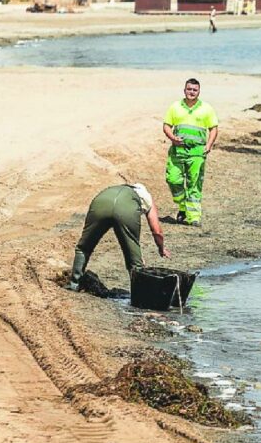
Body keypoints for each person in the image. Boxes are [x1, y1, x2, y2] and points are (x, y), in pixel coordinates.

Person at [68, 183, 169, 290]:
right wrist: (161, 248)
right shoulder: (147, 197)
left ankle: (74, 283)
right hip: (125, 211)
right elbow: (157, 231)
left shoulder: (114, 189)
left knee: (84, 247)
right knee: (134, 261)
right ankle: (140, 294)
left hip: (101, 202)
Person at [163, 78, 219, 226]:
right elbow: (167, 126)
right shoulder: (175, 107)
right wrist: (172, 138)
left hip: (197, 152)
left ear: (199, 92)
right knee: (173, 179)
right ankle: (182, 207)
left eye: (194, 90)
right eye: (189, 89)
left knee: (194, 183)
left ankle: (194, 217)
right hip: (177, 151)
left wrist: (209, 145)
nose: (191, 92)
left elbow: (214, 128)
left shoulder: (206, 108)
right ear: (184, 90)